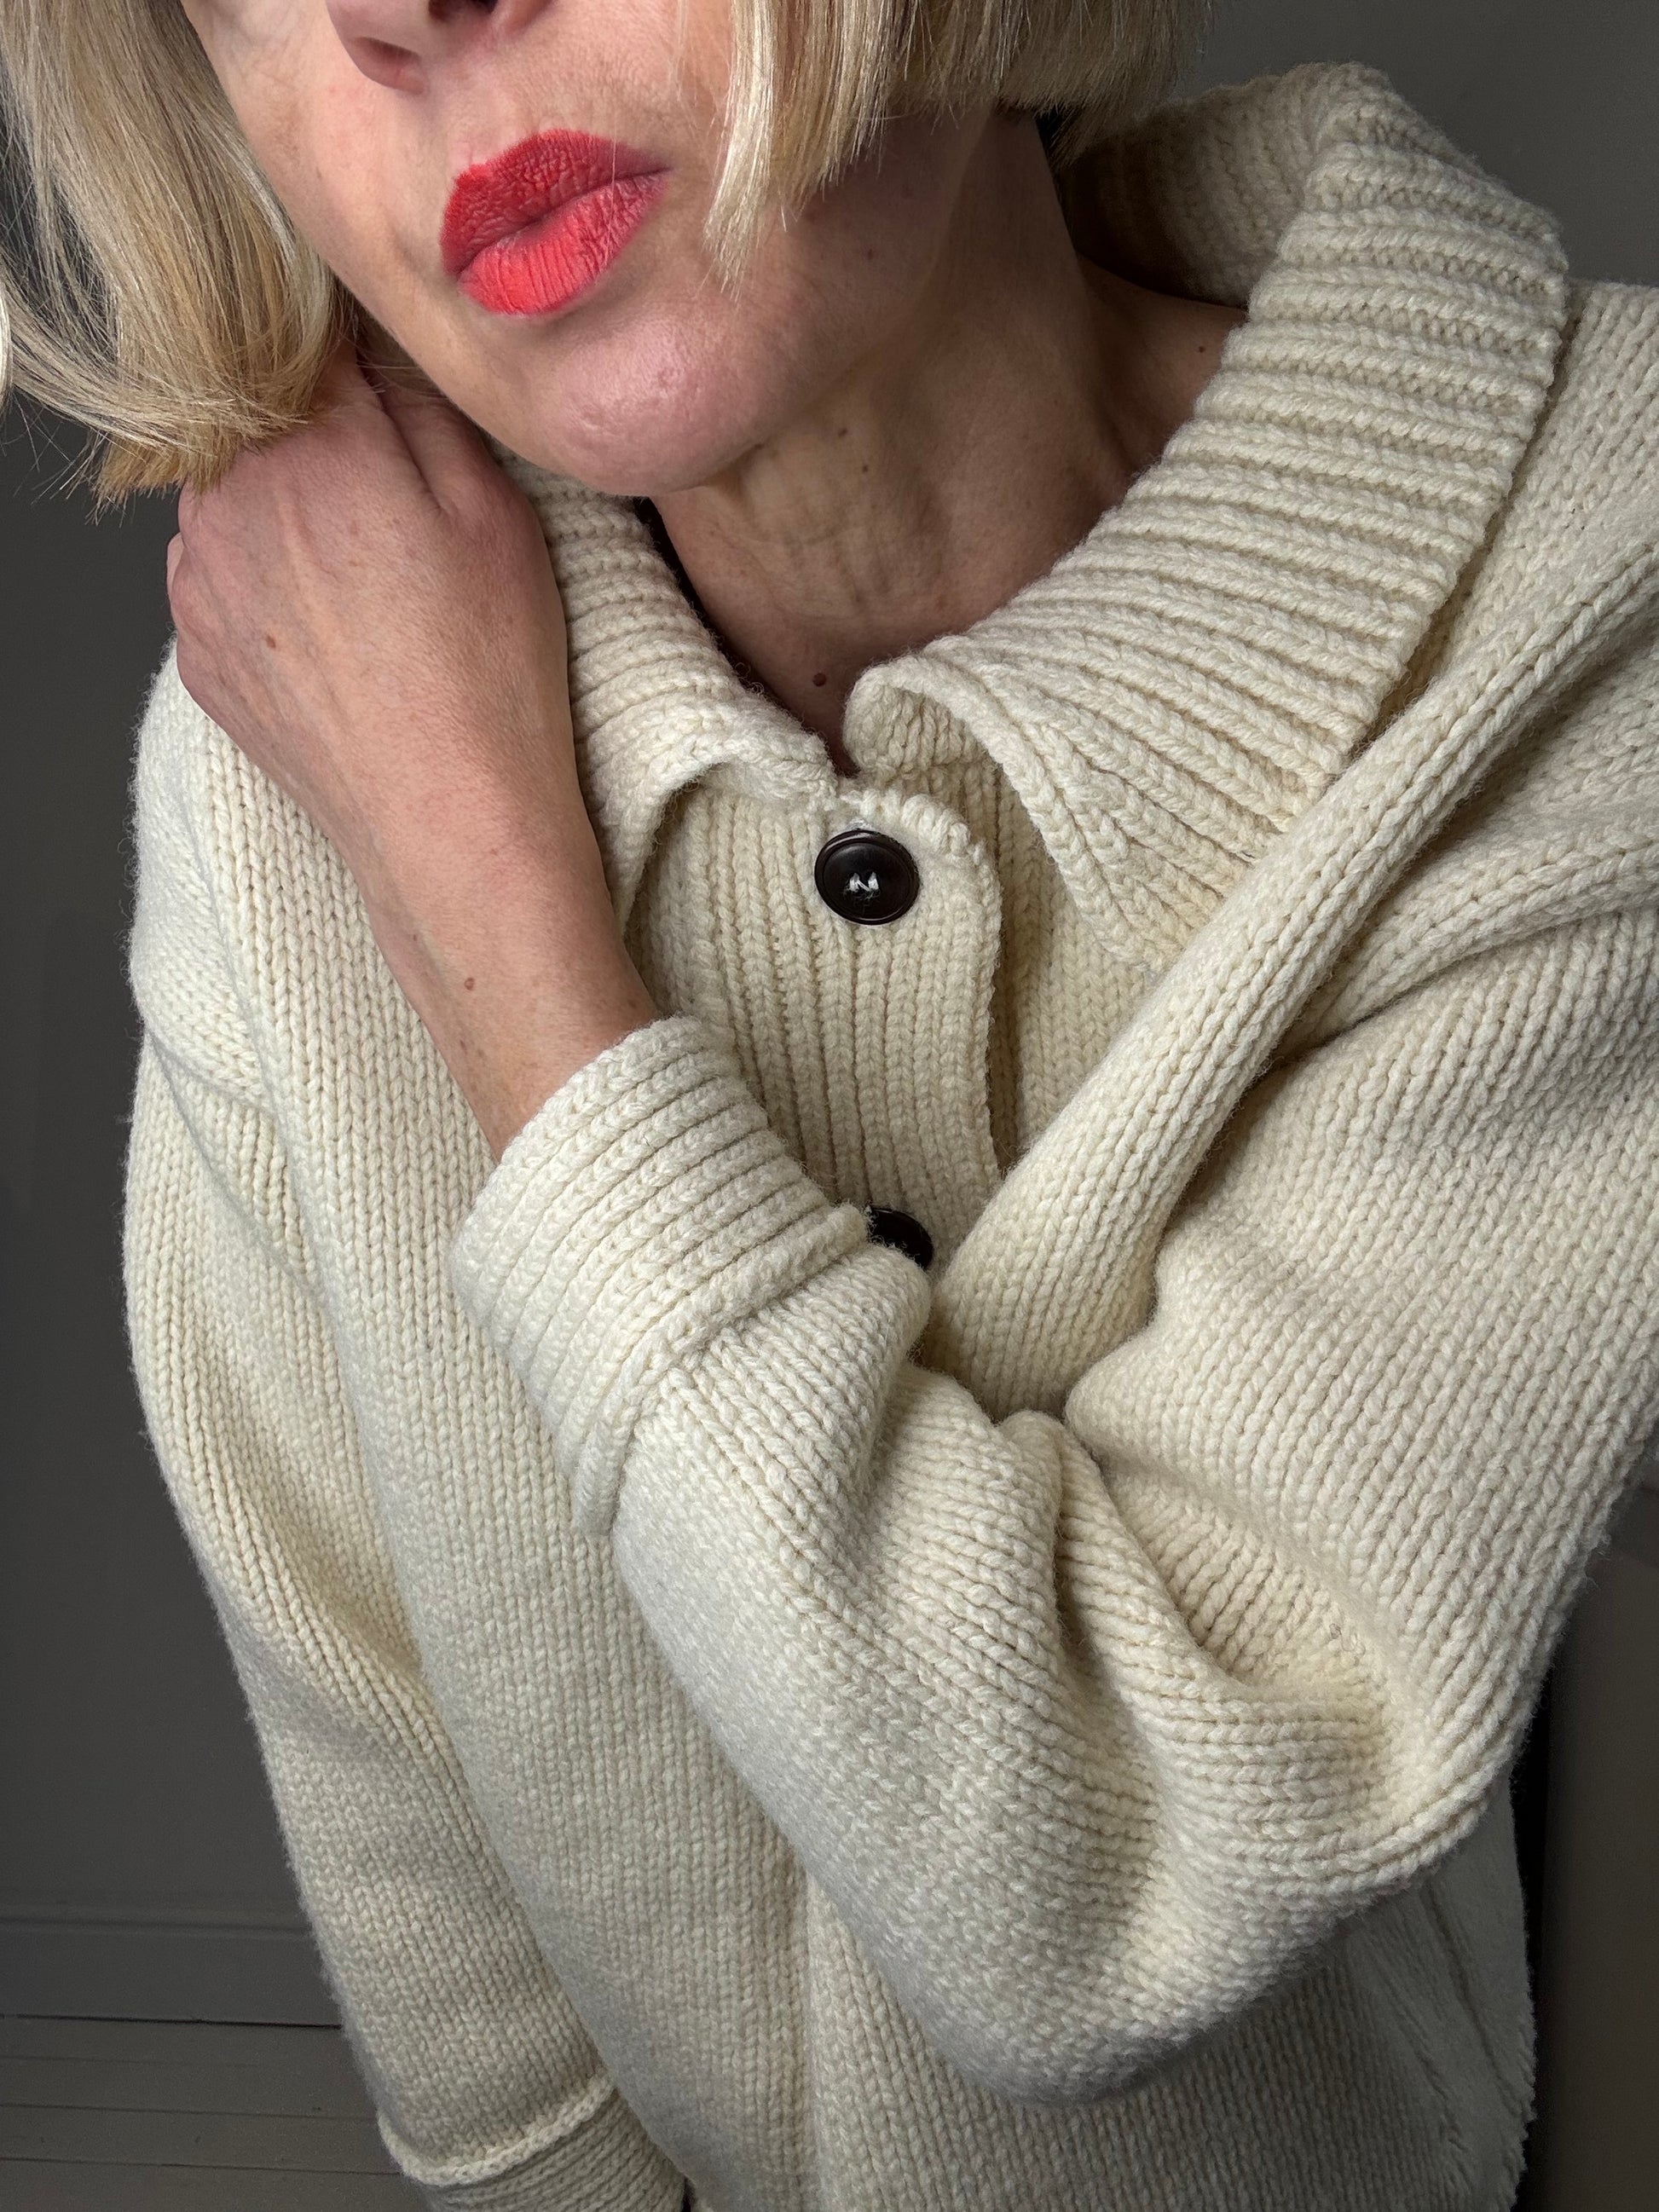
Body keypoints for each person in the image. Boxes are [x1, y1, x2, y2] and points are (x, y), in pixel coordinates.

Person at [3, 2, 1656, 2206]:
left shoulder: (1587, 585)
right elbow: (373, 1710)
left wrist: (480, 880)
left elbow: (1122, 1866)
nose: (397, 9)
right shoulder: (292, 708)